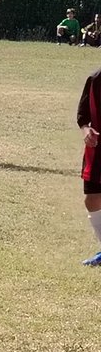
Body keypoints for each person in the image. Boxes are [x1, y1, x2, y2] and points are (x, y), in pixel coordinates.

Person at [76, 67, 101, 265]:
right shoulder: (95, 79)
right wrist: (86, 130)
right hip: (98, 150)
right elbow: (83, 115)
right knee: (92, 200)